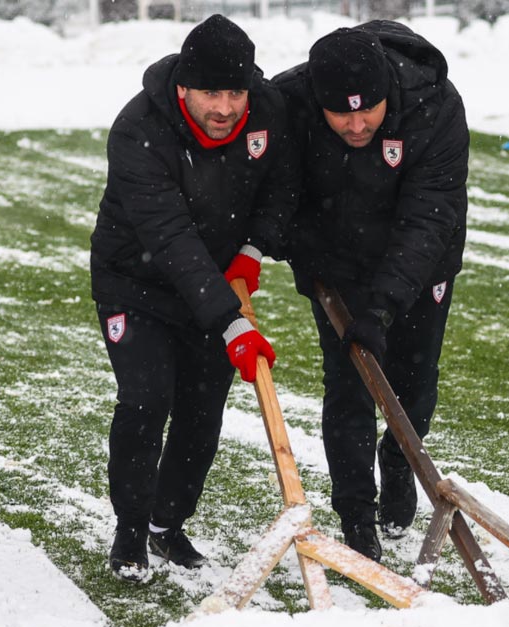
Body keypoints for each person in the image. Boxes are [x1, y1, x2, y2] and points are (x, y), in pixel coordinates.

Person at [90, 14, 297, 581]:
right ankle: (130, 529)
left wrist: (254, 249)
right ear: (183, 86)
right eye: (211, 92)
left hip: (216, 279)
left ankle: (166, 523)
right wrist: (232, 323)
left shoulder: (268, 111)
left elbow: (284, 185)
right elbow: (169, 236)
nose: (226, 107)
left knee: (201, 412)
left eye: (235, 92)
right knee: (147, 397)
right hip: (136, 282)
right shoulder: (138, 129)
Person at [274, 21, 468, 562]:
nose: (357, 125)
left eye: (369, 110)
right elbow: (274, 186)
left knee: (415, 384)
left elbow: (429, 218)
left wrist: (382, 306)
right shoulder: (291, 102)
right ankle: (357, 514)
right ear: (319, 100)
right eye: (342, 113)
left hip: (421, 259)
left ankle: (401, 459)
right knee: (348, 386)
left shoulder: (436, 106)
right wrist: (301, 247)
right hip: (337, 262)